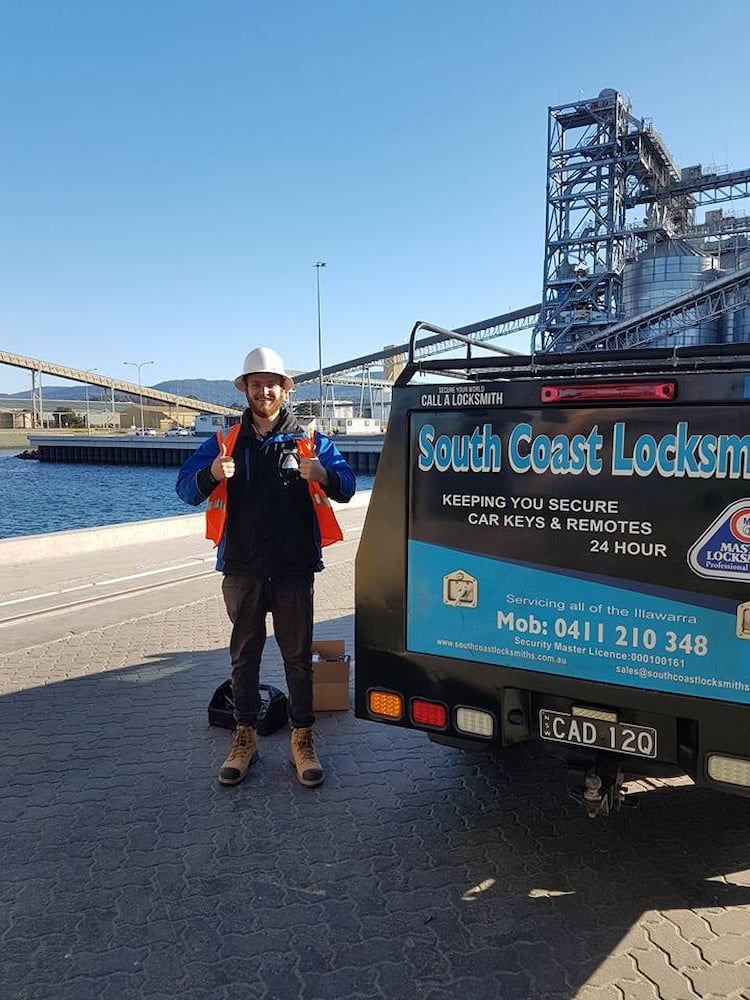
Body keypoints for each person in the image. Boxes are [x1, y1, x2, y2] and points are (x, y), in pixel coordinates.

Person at [176, 346, 356, 788]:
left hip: (294, 568)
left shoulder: (311, 442)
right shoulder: (224, 443)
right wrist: (212, 474)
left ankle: (302, 737)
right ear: (247, 390)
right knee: (244, 657)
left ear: (284, 389)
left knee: (298, 660)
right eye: (256, 385)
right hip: (242, 567)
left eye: (271, 383)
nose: (264, 391)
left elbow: (348, 485)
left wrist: (323, 475)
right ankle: (244, 738)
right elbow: (185, 489)